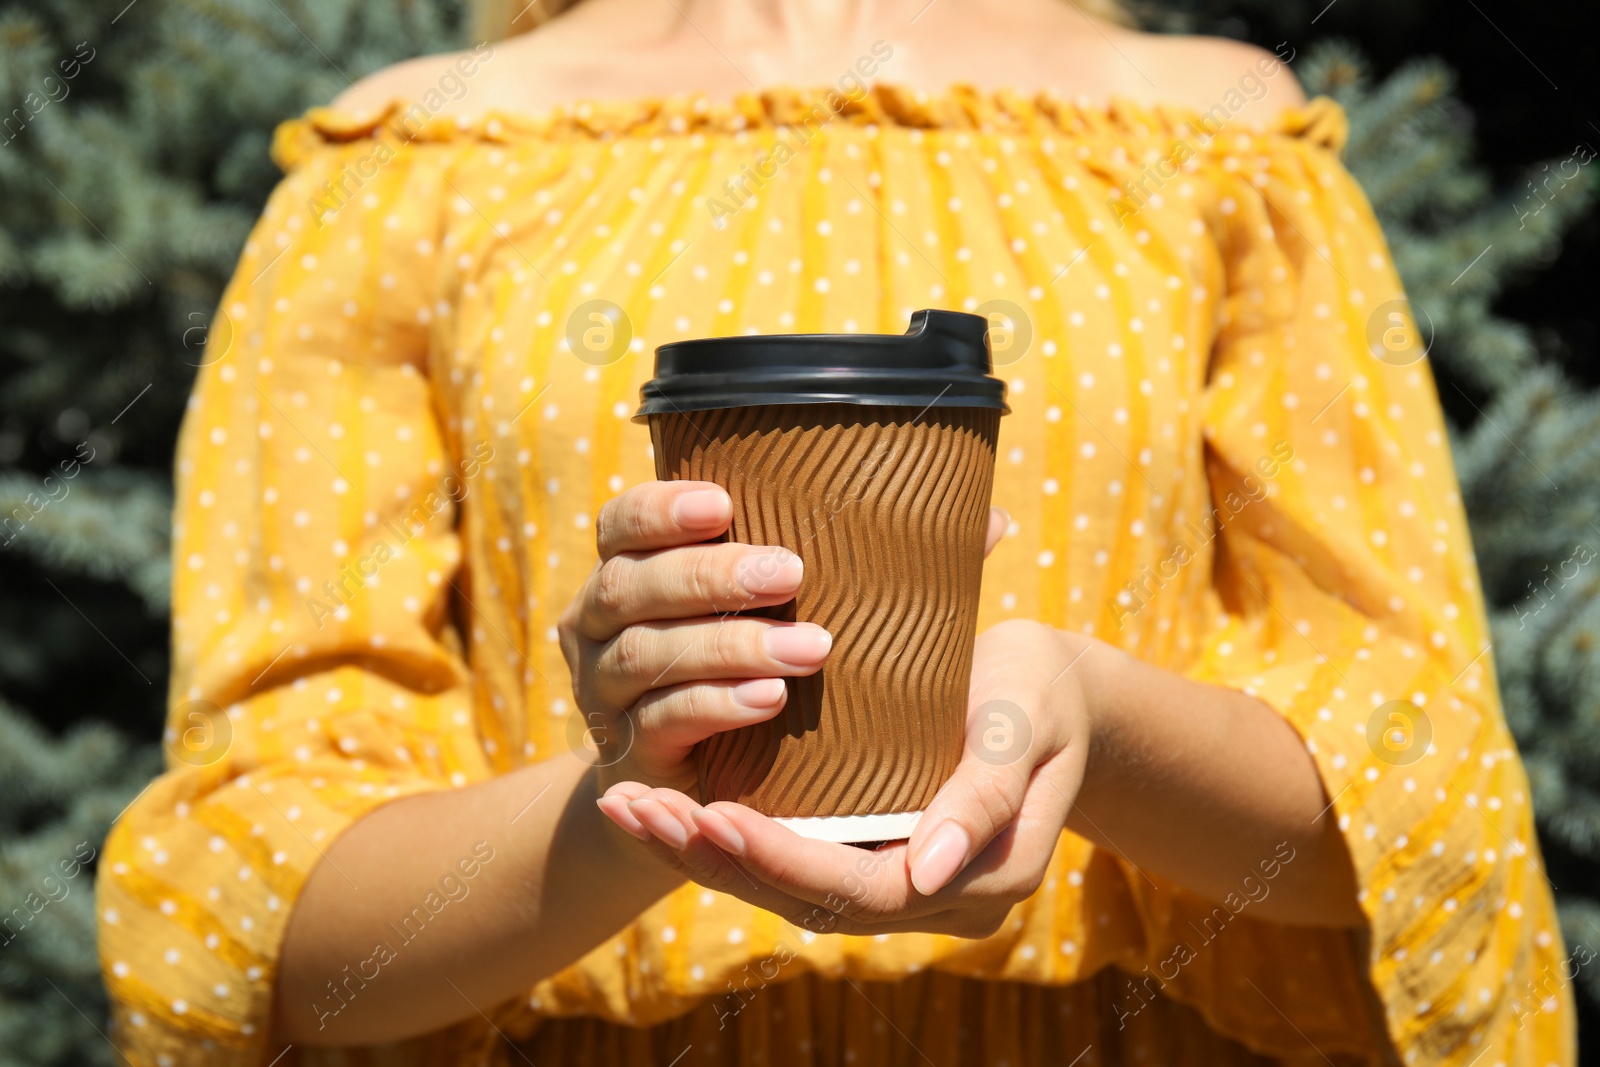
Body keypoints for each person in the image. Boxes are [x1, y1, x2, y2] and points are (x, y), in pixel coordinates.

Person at [97, 0, 1574, 1063]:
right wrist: (640, 801)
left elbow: (1413, 816)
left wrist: (1094, 729)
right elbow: (264, 922)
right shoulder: (408, 167)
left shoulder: (1219, 144)